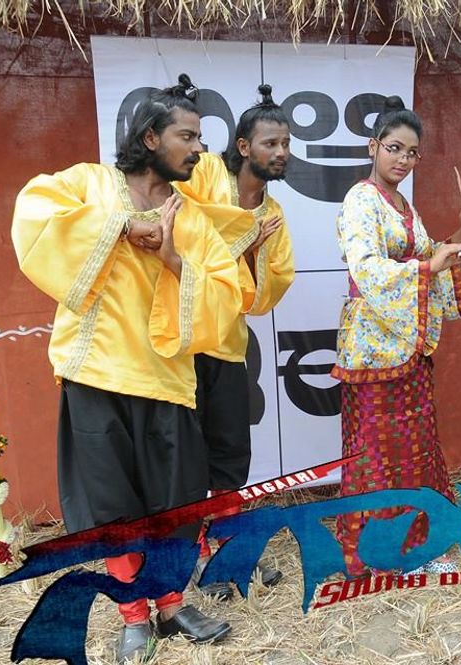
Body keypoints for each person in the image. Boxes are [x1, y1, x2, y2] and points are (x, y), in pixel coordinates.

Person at [11, 75, 241, 663]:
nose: (199, 149)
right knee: (112, 507)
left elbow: (226, 296)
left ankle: (171, 605)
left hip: (166, 380)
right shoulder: (89, 184)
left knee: (173, 506)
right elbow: (34, 214)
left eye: (200, 138)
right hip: (96, 374)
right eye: (188, 136)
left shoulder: (192, 219)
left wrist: (172, 258)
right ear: (149, 138)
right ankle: (134, 615)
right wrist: (121, 226)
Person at [332, 96, 461, 577]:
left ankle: (419, 544)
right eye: (394, 148)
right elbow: (367, 269)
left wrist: (460, 234)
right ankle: (383, 551)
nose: (403, 159)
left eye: (412, 152)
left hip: (406, 344)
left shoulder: (403, 205)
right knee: (377, 450)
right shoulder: (361, 200)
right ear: (373, 146)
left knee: (414, 444)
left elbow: (430, 255)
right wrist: (427, 266)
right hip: (373, 347)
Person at [175, 83, 296, 597]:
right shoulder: (203, 175)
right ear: (243, 146)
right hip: (179, 341)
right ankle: (192, 553)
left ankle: (227, 547)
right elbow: (182, 229)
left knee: (229, 452)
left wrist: (248, 254)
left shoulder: (274, 214)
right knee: (185, 455)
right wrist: (243, 241)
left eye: (286, 143)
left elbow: (264, 295)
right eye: (271, 143)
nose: (281, 152)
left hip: (227, 343)